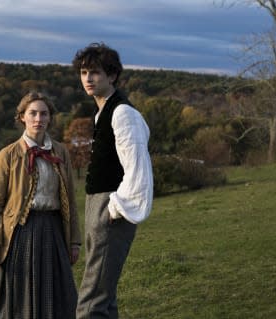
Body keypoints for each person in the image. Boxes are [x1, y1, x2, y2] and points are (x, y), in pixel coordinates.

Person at [0, 91, 81, 319]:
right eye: (33, 113)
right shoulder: (7, 156)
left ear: (50, 118)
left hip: (53, 231)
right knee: (17, 300)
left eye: (44, 114)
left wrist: (74, 241)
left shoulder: (60, 152)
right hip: (19, 235)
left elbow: (71, 202)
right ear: (22, 117)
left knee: (57, 298)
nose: (38, 119)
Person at [72, 42, 154, 318]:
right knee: (104, 300)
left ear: (112, 76)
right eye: (84, 73)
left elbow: (138, 171)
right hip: (99, 205)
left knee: (91, 304)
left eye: (95, 72)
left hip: (112, 208)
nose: (88, 79)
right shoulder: (102, 113)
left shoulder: (122, 113)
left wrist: (114, 209)